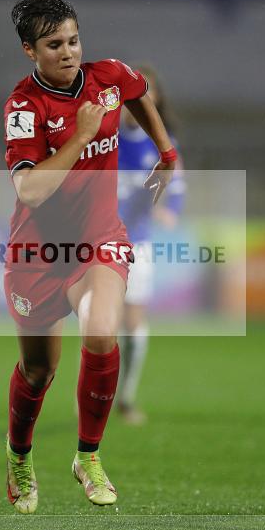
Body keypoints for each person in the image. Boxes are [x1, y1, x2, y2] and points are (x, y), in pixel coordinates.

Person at [2, 0, 177, 514]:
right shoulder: (23, 108)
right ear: (30, 51)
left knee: (101, 332)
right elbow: (30, 190)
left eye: (74, 41)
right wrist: (80, 136)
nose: (69, 52)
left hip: (98, 239)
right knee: (38, 370)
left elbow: (138, 92)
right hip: (37, 254)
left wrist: (166, 153)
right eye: (54, 45)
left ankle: (88, 456)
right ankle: (18, 456)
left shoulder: (108, 77)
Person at [116, 64, 185, 425]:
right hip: (97, 243)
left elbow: (178, 187)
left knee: (133, 325)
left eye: (146, 92)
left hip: (138, 244)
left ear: (155, 99)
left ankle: (126, 397)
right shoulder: (104, 137)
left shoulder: (162, 143)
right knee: (100, 326)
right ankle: (94, 397)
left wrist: (169, 210)